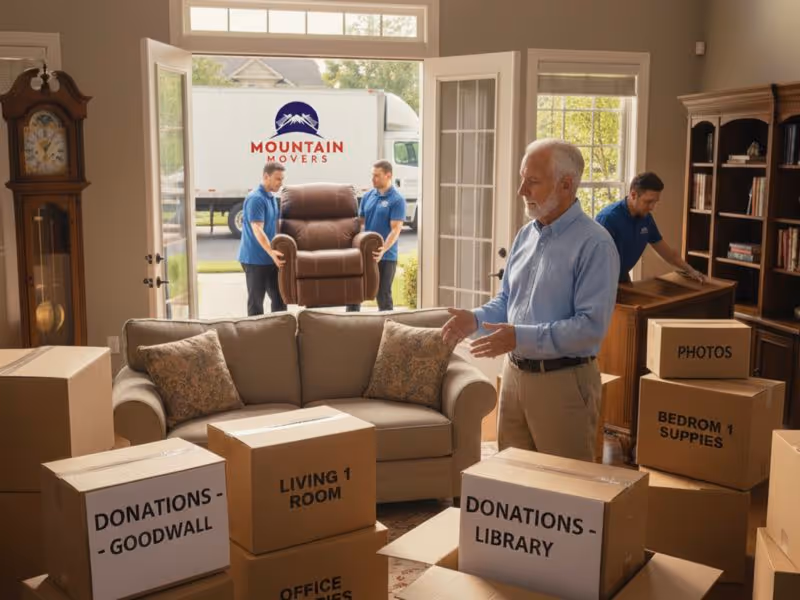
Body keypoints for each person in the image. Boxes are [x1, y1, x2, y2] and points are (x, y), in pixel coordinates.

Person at [441, 139, 620, 462]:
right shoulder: (526, 235)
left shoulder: (595, 245)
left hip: (564, 384)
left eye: (533, 181)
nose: (522, 190)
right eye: (523, 179)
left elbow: (590, 328)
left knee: (566, 490)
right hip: (513, 377)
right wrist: (476, 319)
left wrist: (519, 336)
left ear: (566, 184)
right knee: (513, 487)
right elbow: (508, 300)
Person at [595, 172, 705, 283]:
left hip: (622, 279)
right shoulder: (608, 219)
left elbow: (669, 254)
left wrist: (691, 271)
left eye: (655, 202)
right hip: (600, 282)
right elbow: (595, 263)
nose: (652, 207)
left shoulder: (646, 218)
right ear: (633, 195)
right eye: (648, 202)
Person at [347, 160, 407, 312]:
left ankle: (389, 330)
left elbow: (396, 229)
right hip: (363, 254)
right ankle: (349, 327)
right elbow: (359, 223)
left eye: (377, 176)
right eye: (372, 175)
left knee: (383, 295)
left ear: (388, 175)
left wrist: (383, 250)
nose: (373, 179)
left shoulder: (397, 200)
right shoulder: (368, 196)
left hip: (386, 257)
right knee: (355, 292)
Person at [237, 162, 287, 316]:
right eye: (278, 179)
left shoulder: (271, 197)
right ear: (266, 177)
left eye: (282, 179)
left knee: (280, 299)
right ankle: (255, 337)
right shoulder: (256, 198)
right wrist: (272, 252)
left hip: (270, 259)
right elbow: (257, 229)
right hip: (255, 260)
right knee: (256, 302)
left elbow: (274, 226)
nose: (281, 183)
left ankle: (280, 332)